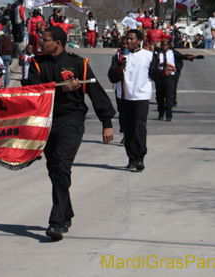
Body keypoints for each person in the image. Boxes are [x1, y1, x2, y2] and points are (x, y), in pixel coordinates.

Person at [25, 26, 115, 241]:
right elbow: (34, 93)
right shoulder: (36, 63)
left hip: (71, 120)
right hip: (46, 122)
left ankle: (55, 223)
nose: (40, 43)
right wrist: (60, 89)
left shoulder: (78, 64)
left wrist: (107, 122)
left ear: (57, 42)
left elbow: (95, 92)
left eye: (44, 40)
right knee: (54, 170)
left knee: (61, 166)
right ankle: (66, 212)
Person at [108, 29, 154, 171]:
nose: (128, 41)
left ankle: (140, 157)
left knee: (139, 126)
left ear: (139, 41)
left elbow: (155, 74)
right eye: (127, 38)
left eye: (131, 39)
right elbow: (112, 77)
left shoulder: (149, 55)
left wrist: (165, 73)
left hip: (141, 97)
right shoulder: (119, 56)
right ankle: (132, 158)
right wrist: (119, 69)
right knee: (128, 128)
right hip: (124, 97)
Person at [151, 40, 196, 122]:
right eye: (163, 45)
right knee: (159, 96)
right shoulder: (157, 54)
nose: (164, 47)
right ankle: (161, 113)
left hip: (170, 77)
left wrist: (190, 57)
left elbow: (181, 56)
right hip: (160, 77)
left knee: (169, 96)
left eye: (166, 45)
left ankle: (169, 114)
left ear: (168, 46)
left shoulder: (173, 53)